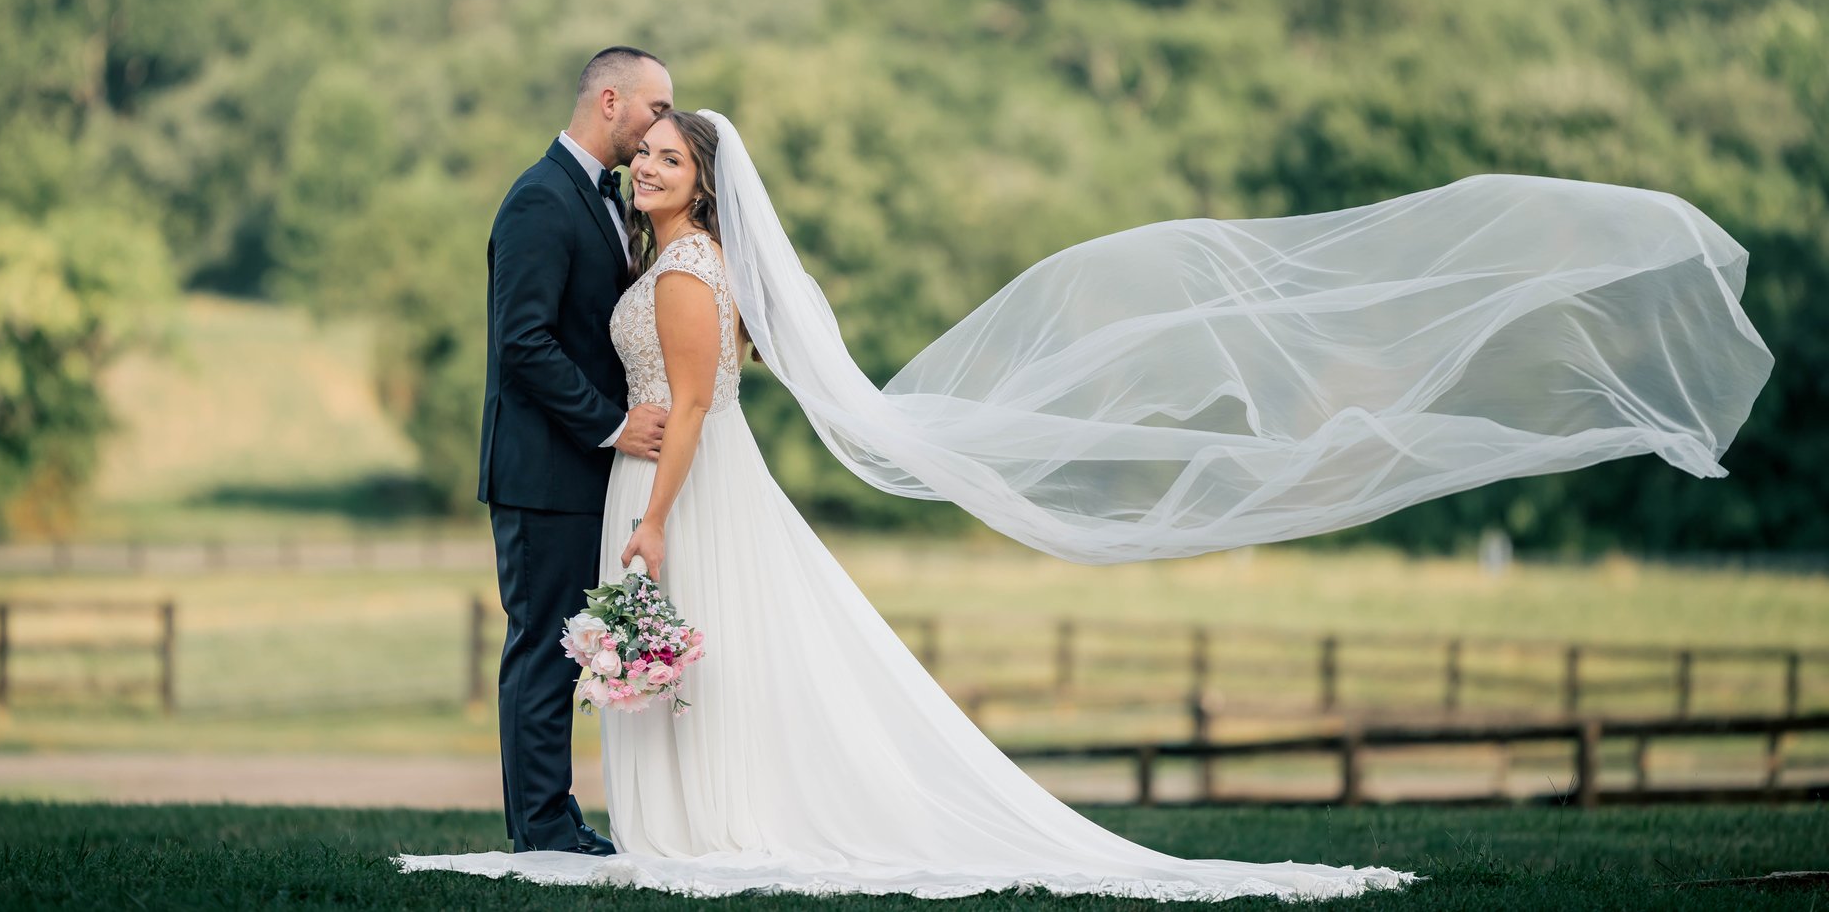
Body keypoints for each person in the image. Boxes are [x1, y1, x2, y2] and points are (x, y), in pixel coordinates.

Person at [409, 107, 1771, 898]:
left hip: (675, 493)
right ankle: (669, 819)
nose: (645, 168)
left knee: (711, 654)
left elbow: (697, 406)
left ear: (700, 181)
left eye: (663, 157)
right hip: (647, 485)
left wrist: (649, 520)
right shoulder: (662, 255)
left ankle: (707, 822)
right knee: (696, 659)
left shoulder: (693, 273)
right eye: (639, 154)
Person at [476, 46, 673, 855]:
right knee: (540, 646)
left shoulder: (602, 199)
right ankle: (541, 829)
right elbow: (523, 343)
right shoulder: (538, 200)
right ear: (610, 101)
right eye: (656, 108)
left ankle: (554, 817)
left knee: (566, 647)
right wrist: (612, 423)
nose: (663, 124)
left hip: (582, 474)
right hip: (543, 471)